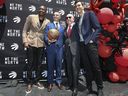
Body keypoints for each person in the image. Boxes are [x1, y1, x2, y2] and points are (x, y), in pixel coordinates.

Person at [74, 1, 104, 96]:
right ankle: (89, 87)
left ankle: (100, 88)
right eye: (76, 6)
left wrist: (92, 39)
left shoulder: (89, 14)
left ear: (83, 6)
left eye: (79, 5)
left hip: (90, 44)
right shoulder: (77, 19)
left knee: (96, 67)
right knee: (87, 68)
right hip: (82, 45)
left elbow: (98, 28)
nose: (77, 7)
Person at [22, 5, 50, 93]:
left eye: (43, 9)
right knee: (30, 64)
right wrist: (25, 41)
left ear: (46, 11)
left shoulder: (48, 21)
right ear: (38, 10)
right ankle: (29, 82)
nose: (42, 10)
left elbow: (48, 33)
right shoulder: (31, 17)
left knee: (39, 64)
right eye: (40, 9)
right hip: (30, 43)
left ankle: (37, 80)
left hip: (41, 45)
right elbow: (24, 30)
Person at [44, 10, 64, 92]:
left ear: (60, 17)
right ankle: (50, 83)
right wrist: (48, 41)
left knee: (59, 66)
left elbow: (64, 38)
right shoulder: (49, 25)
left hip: (59, 49)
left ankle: (59, 81)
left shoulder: (62, 27)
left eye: (57, 15)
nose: (55, 16)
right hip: (50, 48)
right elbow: (45, 36)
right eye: (54, 15)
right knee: (50, 66)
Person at [64, 14, 80, 96]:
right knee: (69, 68)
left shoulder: (77, 26)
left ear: (73, 19)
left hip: (75, 50)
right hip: (67, 51)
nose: (68, 19)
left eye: (70, 17)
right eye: (66, 18)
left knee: (75, 69)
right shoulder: (65, 28)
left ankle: (75, 87)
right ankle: (70, 84)